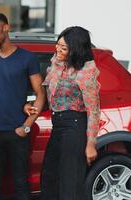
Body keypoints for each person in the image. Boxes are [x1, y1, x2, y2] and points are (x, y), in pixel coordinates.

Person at [0, 13, 46, 200]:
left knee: (21, 184)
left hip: (17, 132)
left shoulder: (27, 58)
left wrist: (26, 126)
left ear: (6, 28)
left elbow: (40, 94)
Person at [25, 26, 100, 200]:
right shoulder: (57, 64)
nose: (58, 49)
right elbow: (51, 95)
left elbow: (94, 111)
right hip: (58, 126)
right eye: (58, 45)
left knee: (70, 183)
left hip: (74, 126)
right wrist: (30, 105)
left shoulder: (85, 72)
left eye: (64, 48)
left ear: (76, 50)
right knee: (49, 177)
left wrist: (90, 144)